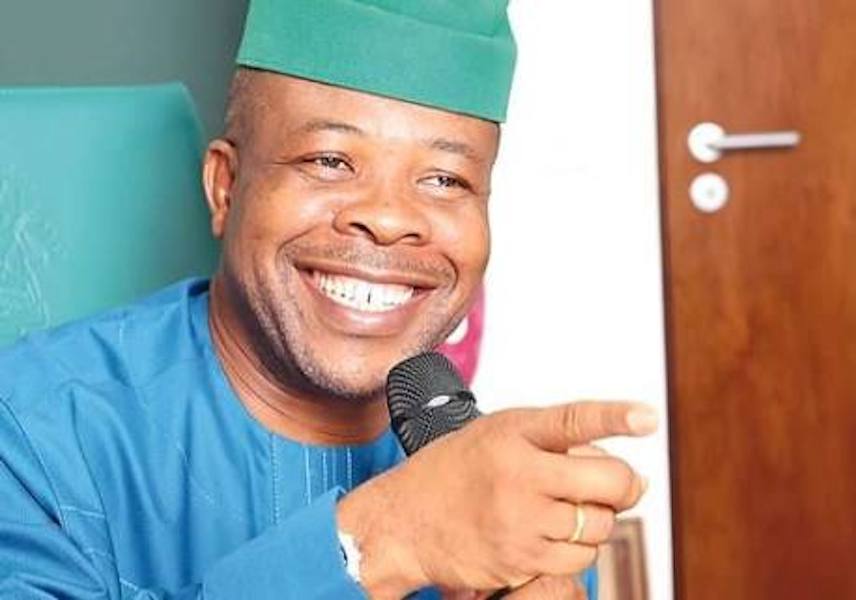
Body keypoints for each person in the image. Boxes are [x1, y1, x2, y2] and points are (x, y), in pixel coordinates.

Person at [0, 0, 658, 598]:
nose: (389, 218)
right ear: (226, 187)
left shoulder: (503, 494)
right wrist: (385, 541)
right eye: (329, 161)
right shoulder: (30, 437)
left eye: (445, 179)